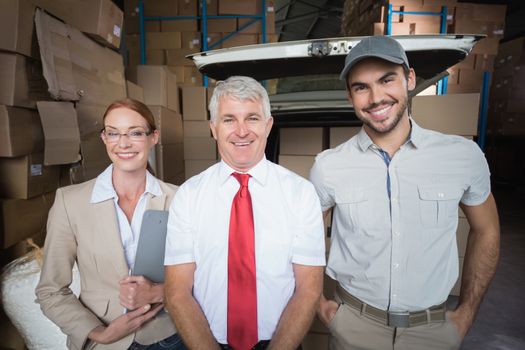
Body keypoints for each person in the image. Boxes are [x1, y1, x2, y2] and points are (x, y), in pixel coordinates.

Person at [309, 36, 500, 350]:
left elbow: (487, 229)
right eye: (361, 87)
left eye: (387, 80)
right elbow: (303, 239)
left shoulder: (462, 156)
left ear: (409, 79)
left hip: (432, 333)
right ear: (349, 96)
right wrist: (319, 305)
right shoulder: (329, 166)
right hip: (353, 326)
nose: (376, 97)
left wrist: (467, 313)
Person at [164, 76, 326, 350]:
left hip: (279, 343)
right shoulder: (189, 196)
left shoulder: (301, 194)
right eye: (229, 119)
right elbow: (177, 292)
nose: (241, 131)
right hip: (207, 342)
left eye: (252, 118)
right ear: (213, 128)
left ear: (268, 125)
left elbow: (308, 290)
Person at [36, 98, 186, 350]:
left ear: (154, 137)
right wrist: (98, 333)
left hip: (167, 336)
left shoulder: (180, 199)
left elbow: (206, 277)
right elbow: (50, 290)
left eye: (135, 133)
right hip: (104, 341)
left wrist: (159, 292)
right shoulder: (70, 202)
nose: (123, 143)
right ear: (104, 138)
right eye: (113, 133)